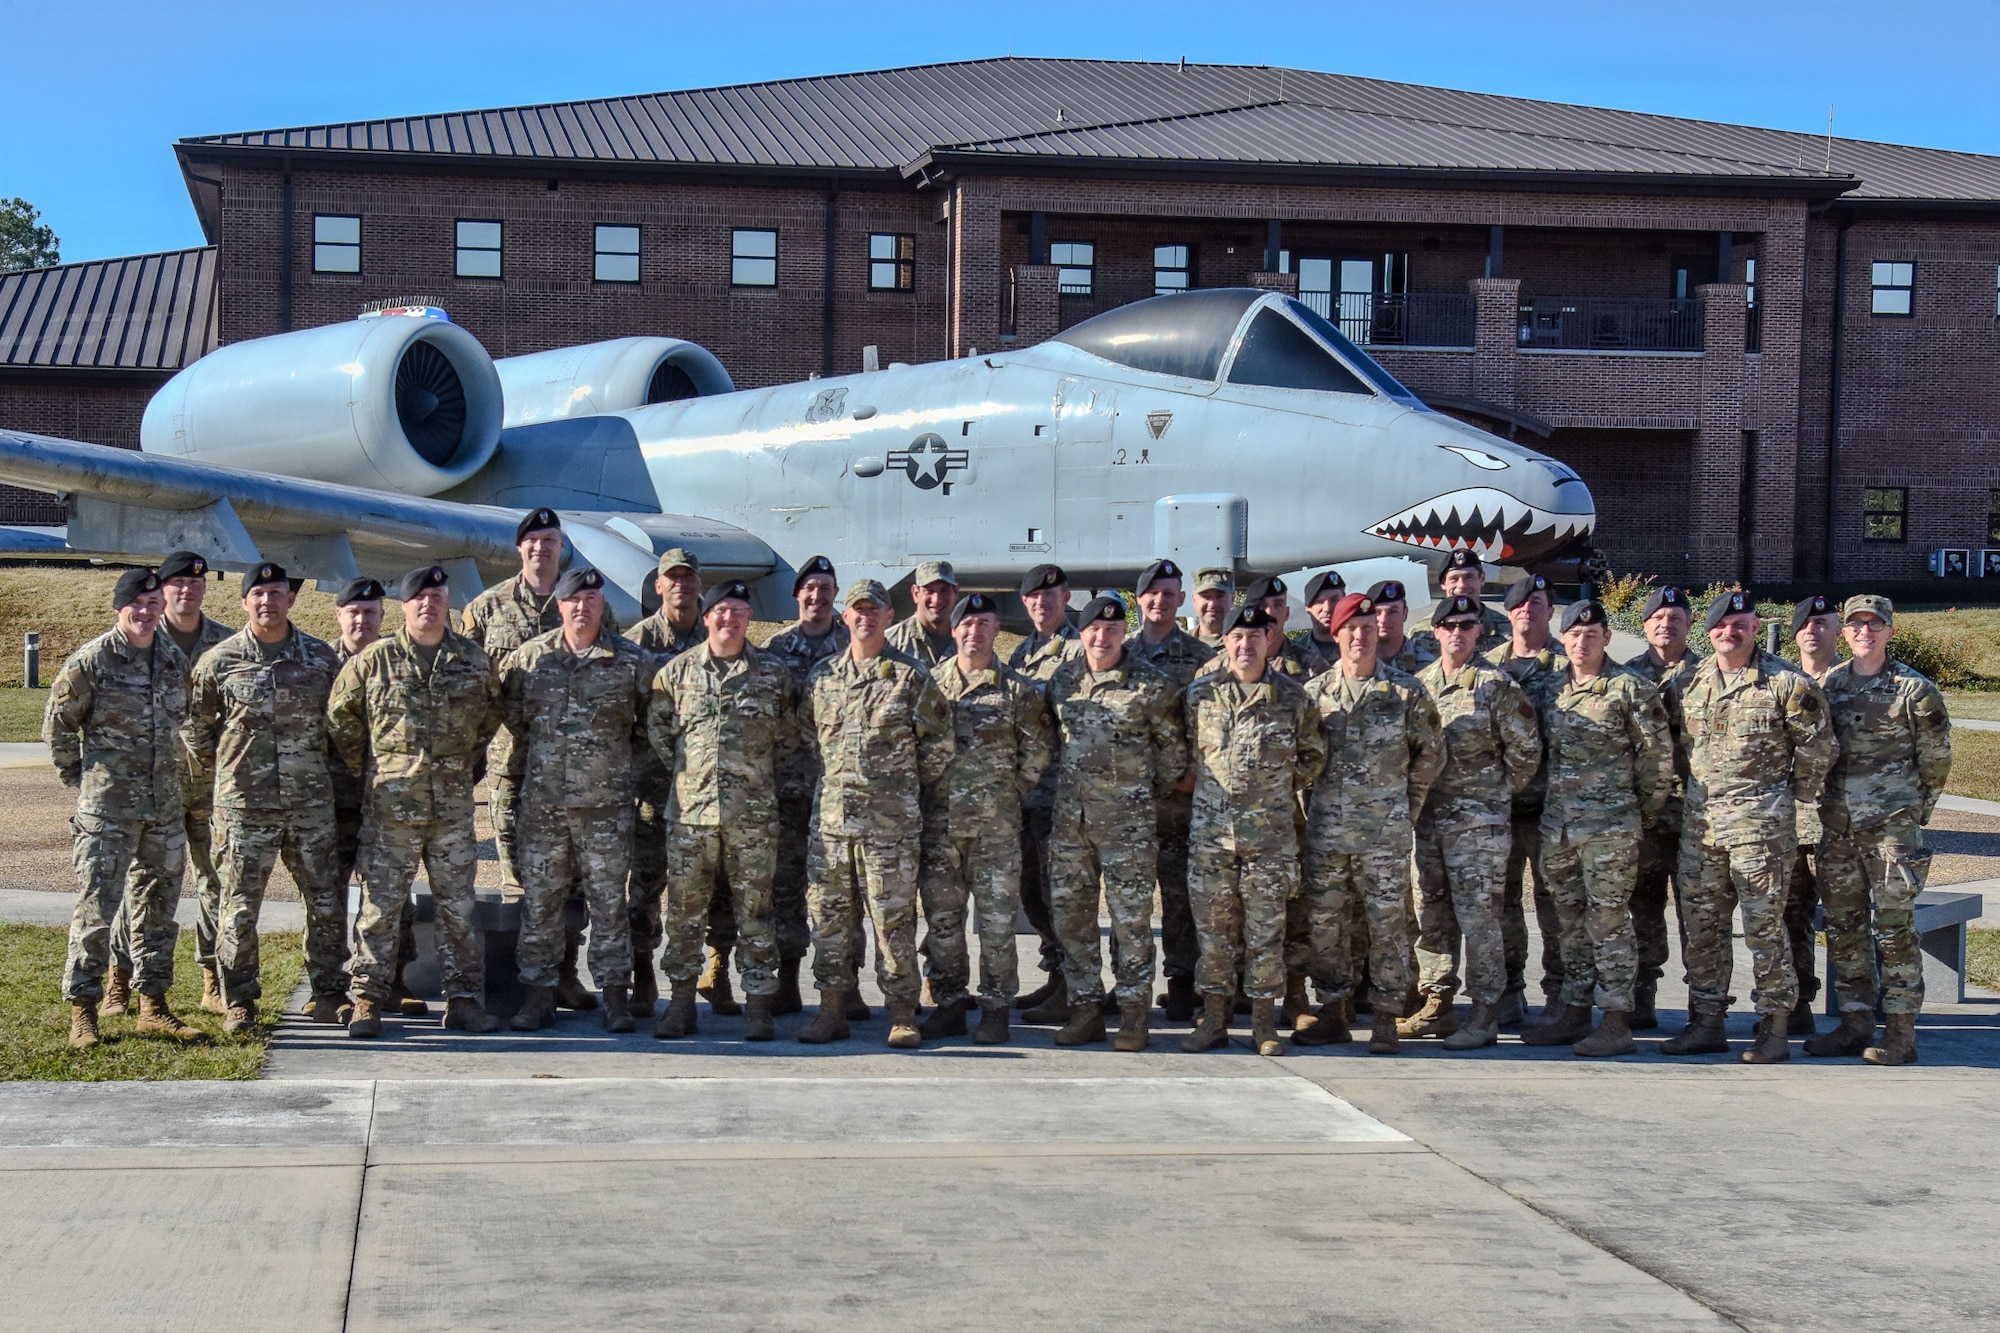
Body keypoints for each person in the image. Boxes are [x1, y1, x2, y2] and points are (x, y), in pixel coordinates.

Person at [328, 564, 504, 1037]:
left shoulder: (473, 660)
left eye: (437, 596)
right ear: (403, 607)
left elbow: (489, 718)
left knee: (458, 909)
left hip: (450, 811)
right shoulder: (374, 661)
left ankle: (463, 1000)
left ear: (448, 603)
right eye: (419, 598)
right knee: (379, 909)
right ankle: (368, 999)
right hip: (391, 812)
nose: (428, 604)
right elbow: (341, 719)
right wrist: (374, 766)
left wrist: (465, 766)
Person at [1666, 590, 1834, 1063]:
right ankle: (1706, 1021)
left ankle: (1776, 1025)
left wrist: (1786, 797)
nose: (1729, 631)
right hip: (1701, 829)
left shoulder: (1788, 684)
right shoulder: (1691, 682)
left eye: (1739, 623)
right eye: (1721, 625)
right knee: (1701, 927)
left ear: (1755, 627)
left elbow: (1818, 750)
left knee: (1764, 927)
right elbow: (1680, 749)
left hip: (1760, 830)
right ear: (1709, 630)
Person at [184, 563, 346, 1033]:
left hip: (309, 804)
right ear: (243, 603)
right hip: (243, 808)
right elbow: (196, 728)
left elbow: (340, 725)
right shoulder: (220, 660)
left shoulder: (319, 657)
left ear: (291, 600)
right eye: (258, 593)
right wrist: (232, 774)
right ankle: (239, 1001)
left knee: (325, 900)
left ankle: (328, 991)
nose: (267, 601)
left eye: (276, 593)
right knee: (238, 907)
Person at [796, 579, 953, 1048]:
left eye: (875, 610)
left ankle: (902, 1012)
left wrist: (898, 787)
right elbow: (808, 737)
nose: (865, 617)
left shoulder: (911, 678)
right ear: (846, 618)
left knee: (893, 923)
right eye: (857, 610)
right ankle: (831, 1010)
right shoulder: (822, 677)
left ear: (889, 617)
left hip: (890, 828)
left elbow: (939, 748)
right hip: (831, 827)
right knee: (829, 920)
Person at [49, 568, 202, 1048]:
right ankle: (84, 1012)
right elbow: (58, 726)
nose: (147, 611)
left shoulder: (173, 659)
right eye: (137, 603)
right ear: (121, 608)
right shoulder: (93, 660)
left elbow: (186, 721)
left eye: (154, 603)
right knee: (97, 911)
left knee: (158, 911)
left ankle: (153, 1006)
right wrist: (83, 783)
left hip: (162, 809)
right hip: (107, 812)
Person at [498, 566, 654, 1033]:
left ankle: (615, 997)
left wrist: (616, 768)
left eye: (592, 600)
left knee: (609, 905)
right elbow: (515, 718)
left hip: (606, 810)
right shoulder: (531, 660)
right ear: (560, 606)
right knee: (542, 904)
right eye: (573, 600)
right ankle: (539, 996)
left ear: (601, 605)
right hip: (544, 807)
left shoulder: (631, 661)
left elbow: (650, 727)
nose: (582, 608)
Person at [1520, 600, 1673, 1057]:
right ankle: (1573, 1008)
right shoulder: (1551, 690)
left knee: (1608, 921)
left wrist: (1633, 815)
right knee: (1567, 922)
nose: (1582, 642)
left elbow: (1657, 761)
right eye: (1574, 635)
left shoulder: (1630, 689)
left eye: (1592, 635)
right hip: (1559, 827)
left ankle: (1616, 1017)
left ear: (1606, 638)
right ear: (1562, 640)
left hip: (1609, 829)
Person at [647, 579, 797, 1042]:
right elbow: (660, 735)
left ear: (750, 619)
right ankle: (681, 1003)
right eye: (721, 611)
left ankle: (757, 1005)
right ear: (706, 616)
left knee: (756, 913)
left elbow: (789, 738)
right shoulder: (676, 674)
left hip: (752, 818)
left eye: (738, 611)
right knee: (685, 915)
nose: (729, 619)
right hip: (690, 817)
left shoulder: (774, 675)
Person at [1807, 595, 1953, 1066]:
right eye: (1856, 625)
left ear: (1890, 631)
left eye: (1875, 624)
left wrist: (1912, 812)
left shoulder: (1915, 690)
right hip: (1838, 827)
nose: (1865, 632)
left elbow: (1937, 760)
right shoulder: (1831, 684)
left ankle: (1901, 1031)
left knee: (1893, 930)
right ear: (1844, 633)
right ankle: (1853, 1024)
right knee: (1844, 928)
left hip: (1891, 831)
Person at [462, 508, 598, 1012]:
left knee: (573, 878)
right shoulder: (487, 608)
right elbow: (467, 681)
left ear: (562, 548)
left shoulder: (582, 603)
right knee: (519, 872)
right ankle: (521, 982)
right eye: (533, 541)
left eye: (551, 540)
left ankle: (564, 973)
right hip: (511, 764)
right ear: (519, 549)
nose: (542, 548)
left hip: (573, 769)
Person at [1293, 593, 1440, 1055]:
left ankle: (1384, 1017)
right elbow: (1301, 762)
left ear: (1379, 632)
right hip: (1327, 835)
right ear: (1335, 635)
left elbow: (1430, 756)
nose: (1359, 636)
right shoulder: (1314, 696)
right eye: (1349, 629)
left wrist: (1405, 807)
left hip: (1384, 835)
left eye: (1367, 628)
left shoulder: (1405, 693)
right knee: (1326, 927)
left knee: (1388, 927)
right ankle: (1334, 1010)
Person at [1043, 595, 1188, 1048]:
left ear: (1123, 633)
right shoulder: (1062, 681)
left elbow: (1173, 755)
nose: (1102, 637)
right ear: (1081, 633)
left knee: (1131, 923)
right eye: (1093, 629)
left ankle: (1132, 1014)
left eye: (1111, 630)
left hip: (1128, 826)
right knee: (1072, 920)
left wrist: (1141, 796)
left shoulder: (1152, 685)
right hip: (1072, 824)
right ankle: (1085, 1008)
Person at [1182, 603, 1326, 1057]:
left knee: (1267, 933)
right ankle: (1215, 1020)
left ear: (1268, 639)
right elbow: (1184, 753)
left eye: (1254, 637)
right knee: (1214, 933)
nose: (1246, 646)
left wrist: (1274, 790)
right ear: (1225, 642)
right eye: (1236, 638)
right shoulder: (1199, 695)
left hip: (1269, 838)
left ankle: (1264, 1024)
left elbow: (1313, 756)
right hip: (1212, 838)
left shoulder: (1293, 697)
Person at [918, 592, 1054, 1044]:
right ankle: (950, 1003)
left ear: (997, 631)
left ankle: (996, 1008)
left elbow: (1037, 751)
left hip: (997, 831)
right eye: (967, 624)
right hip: (941, 828)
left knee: (996, 926)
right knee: (942, 923)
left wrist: (1012, 792)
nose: (974, 632)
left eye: (984, 624)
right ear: (954, 631)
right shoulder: (928, 685)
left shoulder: (1019, 691)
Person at [1409, 595, 1542, 1051]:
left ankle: (1485, 1011)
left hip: (1477, 826)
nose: (1458, 632)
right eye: (1450, 625)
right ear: (1437, 631)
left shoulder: (1496, 686)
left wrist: (1494, 794)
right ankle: (1437, 1003)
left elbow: (1526, 753)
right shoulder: (1421, 684)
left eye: (1468, 624)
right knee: (1433, 913)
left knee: (1479, 919)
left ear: (1479, 631)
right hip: (1429, 821)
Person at [105, 550, 231, 1019]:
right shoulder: (140, 637)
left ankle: (213, 979)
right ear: (163, 591)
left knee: (217, 884)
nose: (188, 590)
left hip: (211, 790)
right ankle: (121, 979)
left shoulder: (224, 642)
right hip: (151, 790)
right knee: (143, 887)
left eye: (196, 584)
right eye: (177, 584)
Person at [328, 577, 424, 1018]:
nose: (362, 620)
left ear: (383, 617)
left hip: (388, 801)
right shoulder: (316, 662)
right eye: (354, 612)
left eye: (371, 613)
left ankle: (392, 980)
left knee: (391, 895)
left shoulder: (397, 661)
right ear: (339, 615)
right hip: (331, 800)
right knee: (327, 896)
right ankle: (329, 987)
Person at [761, 555, 849, 1015]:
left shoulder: (854, 645)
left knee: (843, 892)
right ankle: (788, 980)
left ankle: (847, 986)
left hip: (840, 795)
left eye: (825, 588)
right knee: (786, 887)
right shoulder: (774, 650)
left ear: (837, 595)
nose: (817, 596)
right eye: (809, 588)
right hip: (788, 792)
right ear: (797, 595)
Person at [628, 547, 710, 1019]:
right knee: (644, 888)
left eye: (688, 577)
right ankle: (643, 974)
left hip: (706, 795)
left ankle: (710, 972)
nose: (680, 584)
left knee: (705, 890)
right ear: (657, 586)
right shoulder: (637, 644)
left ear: (699, 584)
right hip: (651, 791)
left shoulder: (717, 635)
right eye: (671, 578)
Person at [1129, 558, 1211, 1021]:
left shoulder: (1202, 659)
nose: (1160, 600)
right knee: (1131, 899)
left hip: (1181, 802)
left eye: (1169, 592)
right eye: (1152, 593)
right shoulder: (1120, 656)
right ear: (1140, 600)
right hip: (1132, 803)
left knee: (1181, 898)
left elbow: (1213, 724)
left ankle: (1184, 984)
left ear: (1181, 599)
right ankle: (1129, 986)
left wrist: (1193, 773)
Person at [1484, 573, 1568, 1024]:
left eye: (1536, 602)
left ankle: (1558, 993)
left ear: (1549, 610)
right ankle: (1508, 991)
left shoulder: (1570, 664)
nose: (1526, 611)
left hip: (1555, 809)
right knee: (1502, 906)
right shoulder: (1490, 667)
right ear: (1508, 612)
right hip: (1500, 808)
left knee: (1555, 905)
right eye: (1518, 604)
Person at [1622, 586, 1699, 1028]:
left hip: (1695, 817)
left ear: (1689, 625)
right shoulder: (1627, 676)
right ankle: (1642, 995)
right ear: (1645, 625)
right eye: (1658, 617)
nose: (1666, 624)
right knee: (1642, 908)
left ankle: (1702, 1006)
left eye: (1675, 617)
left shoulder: (1708, 673)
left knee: (1699, 912)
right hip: (1646, 815)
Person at [1008, 562, 1079, 1021]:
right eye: (1034, 597)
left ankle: (1074, 989)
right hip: (1028, 799)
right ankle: (1055, 976)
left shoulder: (1080, 648)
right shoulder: (1019, 654)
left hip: (1064, 797)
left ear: (1065, 597)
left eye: (1050, 596)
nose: (1042, 603)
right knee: (1033, 894)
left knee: (1065, 898)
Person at [1781, 594, 1844, 1033]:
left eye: (1822, 623)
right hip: (1790, 822)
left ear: (1836, 630)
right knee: (1790, 917)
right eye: (1805, 624)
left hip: (1843, 823)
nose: (1813, 630)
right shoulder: (1780, 680)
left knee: (1847, 918)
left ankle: (1856, 1013)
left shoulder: (1855, 679)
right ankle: (1798, 1001)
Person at [1436, 548, 1512, 654]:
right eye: (1454, 578)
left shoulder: (1507, 630)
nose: (1462, 585)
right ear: (1443, 583)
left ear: (1482, 579)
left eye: (1469, 577)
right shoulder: (1423, 633)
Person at [886, 559, 959, 666]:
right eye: (929, 591)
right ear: (916, 593)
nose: (937, 600)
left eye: (944, 590)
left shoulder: (968, 641)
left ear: (956, 592)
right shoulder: (890, 643)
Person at [1369, 578, 1440, 675]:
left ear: (1405, 613)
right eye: (1377, 612)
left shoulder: (1427, 665)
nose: (1384, 619)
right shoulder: (1359, 662)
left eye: (1393, 612)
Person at [1287, 570, 1345, 675]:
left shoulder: (1358, 646)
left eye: (1334, 600)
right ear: (1308, 608)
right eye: (1319, 602)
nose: (1327, 608)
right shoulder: (1293, 651)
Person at [1189, 568, 1236, 649]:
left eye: (1219, 596)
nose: (1212, 604)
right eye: (1206, 596)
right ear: (1194, 600)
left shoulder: (1241, 644)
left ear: (1232, 599)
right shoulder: (1180, 644)